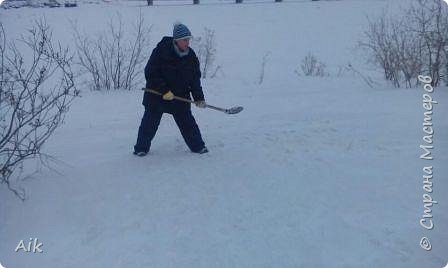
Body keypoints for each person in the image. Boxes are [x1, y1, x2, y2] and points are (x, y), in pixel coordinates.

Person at [133, 23, 208, 156]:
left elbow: (194, 80)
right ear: (176, 40)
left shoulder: (191, 57)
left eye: (188, 39)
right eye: (185, 40)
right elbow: (150, 72)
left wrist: (199, 98)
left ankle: (198, 147)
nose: (187, 42)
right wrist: (164, 90)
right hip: (157, 95)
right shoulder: (162, 51)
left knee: (187, 123)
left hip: (179, 96)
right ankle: (141, 148)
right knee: (149, 124)